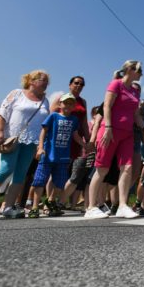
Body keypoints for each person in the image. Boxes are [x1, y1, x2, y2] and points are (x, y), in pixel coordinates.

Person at [0, 70, 51, 219]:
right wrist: (0, 131)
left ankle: (8, 207)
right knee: (6, 170)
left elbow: (44, 125)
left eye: (47, 81)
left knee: (21, 173)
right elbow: (2, 113)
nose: (46, 83)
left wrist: (40, 145)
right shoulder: (16, 93)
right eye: (42, 80)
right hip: (12, 138)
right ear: (32, 81)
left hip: (31, 141)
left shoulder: (45, 100)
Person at [85, 61, 144, 219]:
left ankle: (123, 205)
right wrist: (109, 128)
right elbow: (107, 106)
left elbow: (136, 115)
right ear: (130, 70)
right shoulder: (115, 84)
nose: (141, 73)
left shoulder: (135, 91)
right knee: (102, 168)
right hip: (109, 132)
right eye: (139, 70)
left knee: (127, 168)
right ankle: (91, 207)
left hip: (127, 133)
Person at [29, 93, 87, 218]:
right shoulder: (53, 116)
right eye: (66, 102)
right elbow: (43, 131)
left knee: (60, 182)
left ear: (74, 107)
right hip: (48, 153)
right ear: (60, 104)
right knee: (40, 180)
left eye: (71, 103)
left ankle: (50, 201)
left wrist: (84, 145)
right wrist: (40, 148)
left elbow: (75, 135)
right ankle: (34, 207)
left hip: (63, 156)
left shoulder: (74, 120)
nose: (68, 105)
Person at [49, 76, 90, 209]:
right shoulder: (61, 97)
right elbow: (52, 116)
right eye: (76, 83)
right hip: (61, 138)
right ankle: (49, 201)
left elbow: (84, 121)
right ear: (70, 84)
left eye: (82, 84)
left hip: (76, 139)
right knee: (55, 169)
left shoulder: (83, 101)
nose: (79, 86)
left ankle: (58, 201)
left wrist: (88, 139)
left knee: (65, 170)